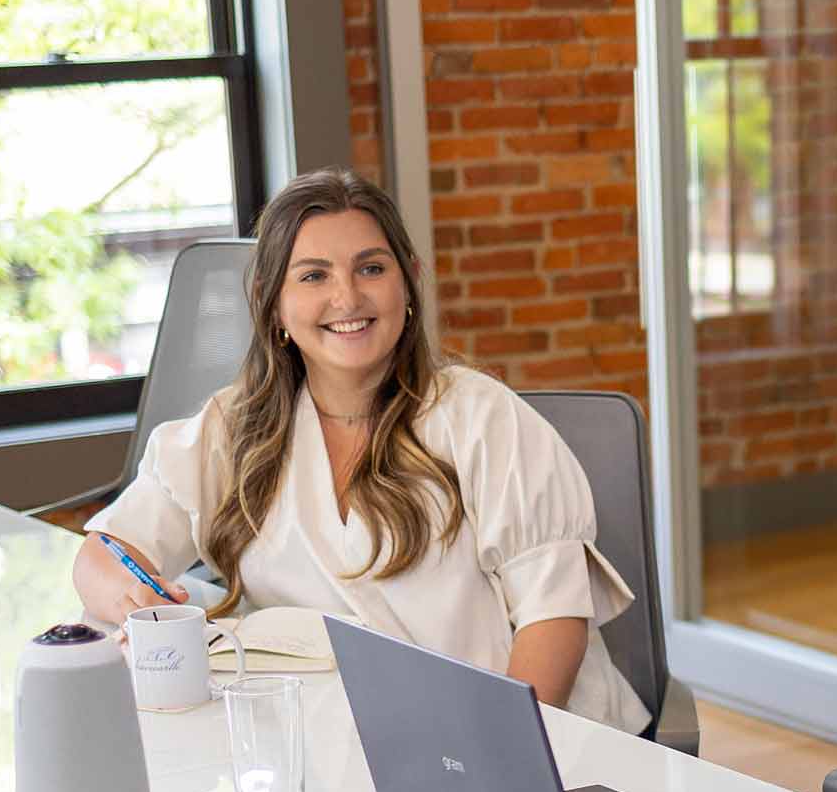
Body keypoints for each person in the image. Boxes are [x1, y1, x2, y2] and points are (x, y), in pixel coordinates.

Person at [74, 166, 648, 734]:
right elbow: (104, 554)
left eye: (371, 268)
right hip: (342, 746)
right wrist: (138, 603)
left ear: (409, 283)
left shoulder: (481, 418)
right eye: (313, 276)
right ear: (271, 302)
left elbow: (555, 621)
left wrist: (505, 757)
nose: (346, 297)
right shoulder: (234, 426)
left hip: (525, 741)